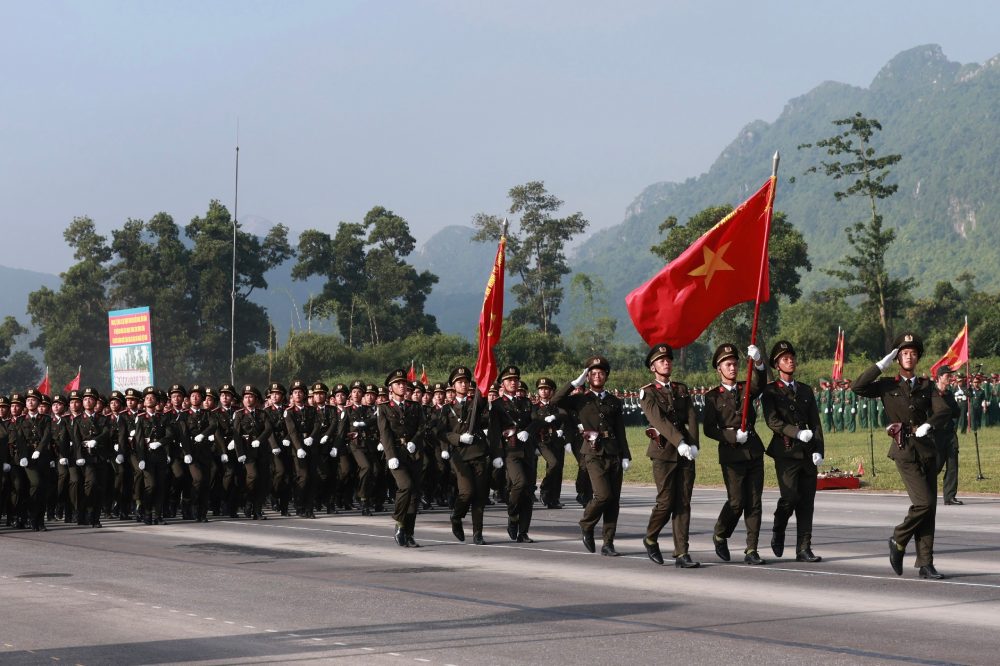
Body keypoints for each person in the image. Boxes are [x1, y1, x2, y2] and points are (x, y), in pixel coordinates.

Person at [853, 333, 950, 579]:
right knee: (924, 503)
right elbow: (858, 387)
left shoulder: (927, 385)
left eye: (913, 353)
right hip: (903, 449)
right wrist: (879, 365)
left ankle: (926, 563)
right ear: (897, 358)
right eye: (904, 353)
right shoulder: (887, 384)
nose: (909, 356)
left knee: (930, 509)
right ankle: (898, 538)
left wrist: (930, 424)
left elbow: (943, 410)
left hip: (926, 448)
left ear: (918, 357)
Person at [553, 355, 632, 556]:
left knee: (613, 501)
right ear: (587, 377)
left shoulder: (614, 401)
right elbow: (555, 401)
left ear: (606, 376)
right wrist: (573, 384)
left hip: (613, 451)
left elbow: (620, 430)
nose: (597, 376)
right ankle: (586, 523)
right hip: (592, 452)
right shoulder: (580, 399)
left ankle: (608, 543)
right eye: (593, 373)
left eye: (601, 373)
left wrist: (625, 455)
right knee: (603, 495)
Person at [703, 343, 768, 565]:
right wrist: (731, 437)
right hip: (732, 454)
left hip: (753, 450)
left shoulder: (746, 386)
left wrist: (758, 362)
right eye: (728, 364)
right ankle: (721, 534)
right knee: (736, 502)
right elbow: (709, 429)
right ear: (719, 369)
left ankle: (752, 549)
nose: (733, 368)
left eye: (735, 364)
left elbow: (761, 383)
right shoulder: (712, 397)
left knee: (754, 502)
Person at [761, 341, 824, 563]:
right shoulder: (770, 391)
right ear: (777, 364)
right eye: (785, 359)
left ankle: (804, 548)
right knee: (789, 497)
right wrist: (796, 433)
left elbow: (816, 422)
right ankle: (779, 528)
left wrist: (819, 449)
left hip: (807, 453)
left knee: (807, 502)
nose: (791, 361)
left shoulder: (805, 389)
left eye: (792, 357)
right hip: (786, 452)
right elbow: (772, 421)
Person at [638, 343, 700, 568]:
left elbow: (692, 416)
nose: (666, 362)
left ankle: (682, 553)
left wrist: (694, 443)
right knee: (665, 502)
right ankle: (650, 537)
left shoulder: (681, 389)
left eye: (669, 359)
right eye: (661, 360)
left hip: (685, 452)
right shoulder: (648, 392)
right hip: (663, 452)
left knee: (683, 502)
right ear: (653, 367)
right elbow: (659, 421)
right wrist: (680, 441)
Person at [441, 366, 497, 545]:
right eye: (459, 382)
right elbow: (442, 433)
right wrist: (458, 438)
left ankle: (477, 533)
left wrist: (484, 372)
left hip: (478, 452)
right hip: (459, 455)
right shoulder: (446, 409)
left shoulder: (475, 404)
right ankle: (456, 516)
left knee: (480, 495)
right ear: (453, 386)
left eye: (466, 381)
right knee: (467, 492)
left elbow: (483, 392)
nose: (463, 385)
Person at [378, 369, 425, 547]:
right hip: (396, 454)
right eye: (398, 383)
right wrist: (390, 455)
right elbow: (385, 433)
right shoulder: (383, 408)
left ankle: (409, 533)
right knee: (406, 486)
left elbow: (421, 427)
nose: (402, 386)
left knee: (414, 496)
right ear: (391, 388)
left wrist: (414, 441)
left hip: (413, 454)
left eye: (404, 383)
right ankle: (399, 523)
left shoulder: (415, 406)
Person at [933, 366, 962, 506]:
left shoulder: (949, 394)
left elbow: (956, 412)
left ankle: (950, 497)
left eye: (950, 376)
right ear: (939, 377)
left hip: (950, 434)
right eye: (947, 376)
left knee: (952, 466)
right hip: (936, 434)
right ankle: (924, 491)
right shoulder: (932, 394)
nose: (949, 378)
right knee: (936, 465)